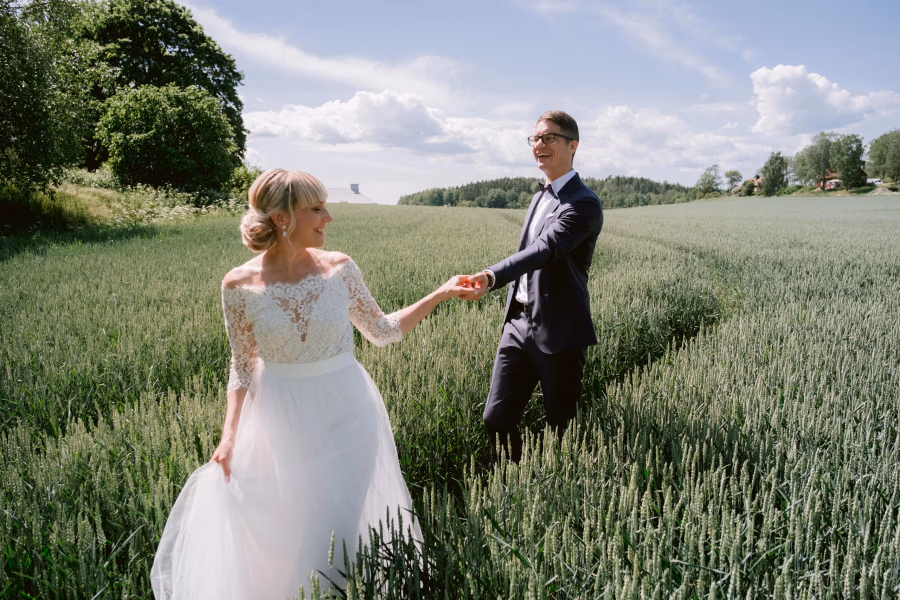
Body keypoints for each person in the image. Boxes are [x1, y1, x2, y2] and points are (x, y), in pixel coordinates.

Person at [151, 169, 469, 599]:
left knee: (333, 527)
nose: (328, 217)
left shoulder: (340, 268)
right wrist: (228, 437)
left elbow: (382, 330)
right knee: (287, 529)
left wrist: (442, 293)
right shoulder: (238, 285)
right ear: (283, 218)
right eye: (316, 208)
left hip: (348, 413)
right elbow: (242, 365)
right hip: (280, 420)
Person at [461, 110, 604, 463]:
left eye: (549, 138)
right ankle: (512, 484)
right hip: (517, 324)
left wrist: (491, 275)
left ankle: (556, 495)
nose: (539, 145)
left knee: (561, 429)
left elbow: (544, 250)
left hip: (559, 331)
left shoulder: (583, 204)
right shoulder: (539, 196)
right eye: (535, 138)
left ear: (573, 146)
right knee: (495, 418)